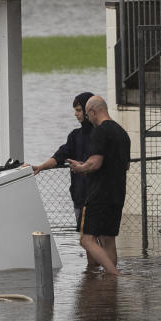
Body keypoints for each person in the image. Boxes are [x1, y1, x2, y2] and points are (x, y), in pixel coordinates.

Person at [67, 95, 131, 275]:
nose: (88, 119)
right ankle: (110, 287)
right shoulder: (122, 133)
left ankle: (114, 276)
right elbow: (126, 165)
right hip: (117, 193)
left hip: (99, 194)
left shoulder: (100, 131)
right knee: (108, 239)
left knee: (87, 240)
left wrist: (80, 168)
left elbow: (95, 163)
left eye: (88, 115)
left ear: (93, 112)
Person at [30, 91, 95, 230]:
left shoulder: (100, 134)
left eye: (78, 110)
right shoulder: (74, 136)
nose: (75, 114)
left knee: (92, 239)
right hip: (78, 196)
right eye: (75, 110)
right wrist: (41, 167)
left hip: (96, 196)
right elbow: (60, 156)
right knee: (84, 239)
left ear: (88, 110)